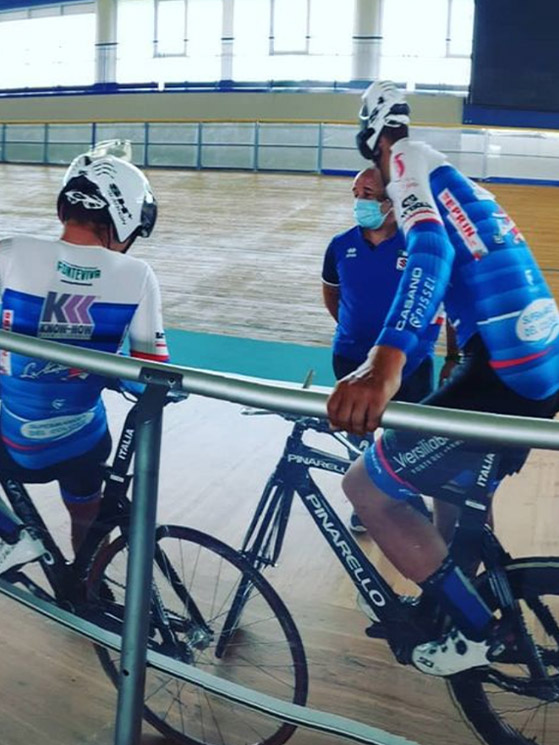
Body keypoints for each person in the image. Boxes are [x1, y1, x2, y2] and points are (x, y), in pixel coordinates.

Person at [327, 80, 559, 676]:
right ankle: (458, 602)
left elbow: (430, 253)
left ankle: (480, 630)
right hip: (533, 364)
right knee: (451, 491)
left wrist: (384, 365)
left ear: (369, 138)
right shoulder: (451, 178)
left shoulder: (407, 161)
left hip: (503, 369)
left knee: (367, 489)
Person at [0, 144, 169, 572]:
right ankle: (90, 582)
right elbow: (152, 372)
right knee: (86, 519)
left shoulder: (10, 253)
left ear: (65, 208)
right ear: (126, 221)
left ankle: (12, 536)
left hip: (16, 443)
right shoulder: (138, 276)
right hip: (84, 440)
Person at [322, 166, 458, 533]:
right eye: (356, 195)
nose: (360, 202)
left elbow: (449, 306)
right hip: (350, 358)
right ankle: (366, 506)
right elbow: (332, 294)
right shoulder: (340, 246)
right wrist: (352, 328)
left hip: (410, 365)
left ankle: (406, 502)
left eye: (368, 194)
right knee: (358, 435)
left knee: (409, 439)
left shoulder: (420, 247)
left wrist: (453, 357)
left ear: (391, 200)